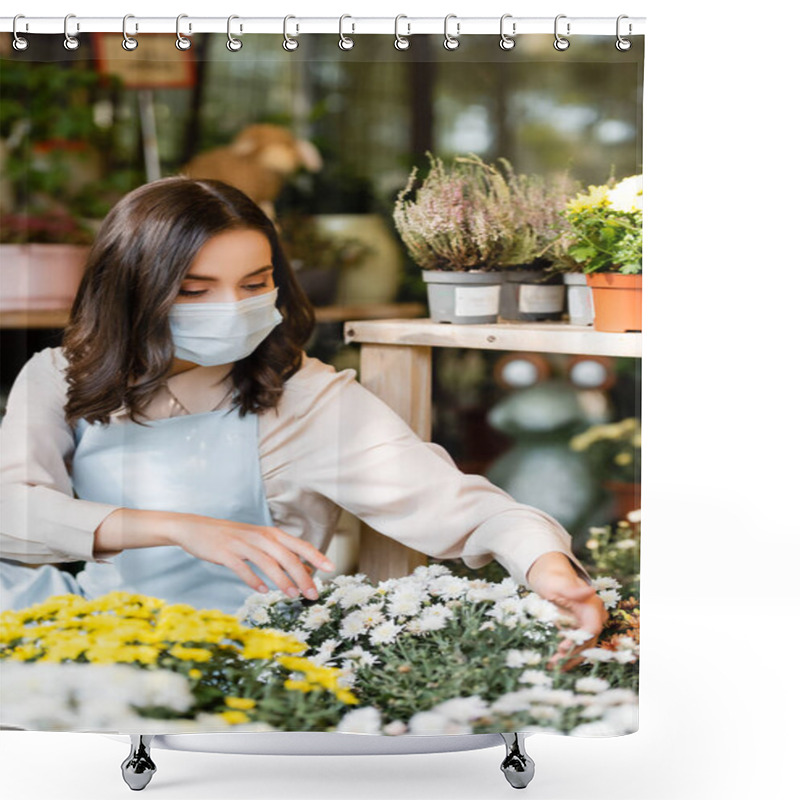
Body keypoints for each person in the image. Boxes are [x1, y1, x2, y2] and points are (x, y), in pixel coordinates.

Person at [0, 177, 606, 670]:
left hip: (245, 665)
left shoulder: (309, 397)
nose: (232, 307)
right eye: (194, 290)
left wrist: (547, 565)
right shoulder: (58, 377)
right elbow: (13, 515)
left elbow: (468, 507)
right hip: (98, 641)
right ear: (132, 292)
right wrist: (181, 528)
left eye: (254, 284)